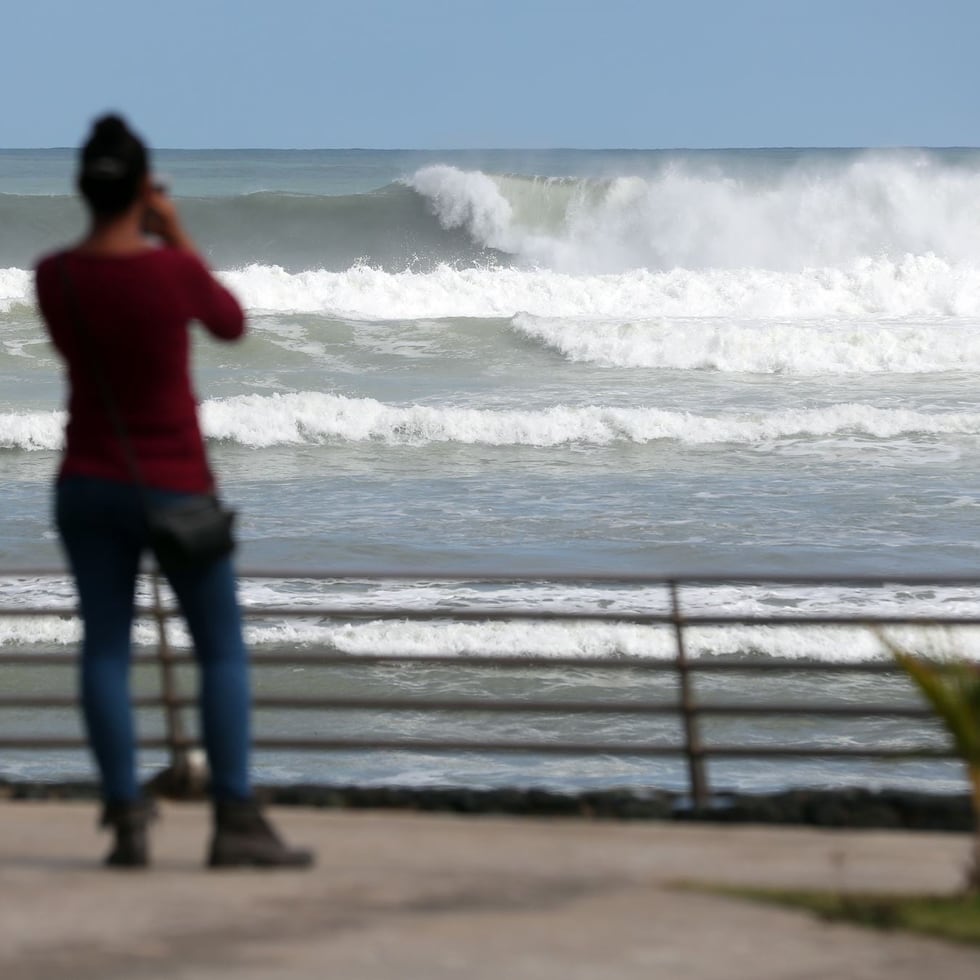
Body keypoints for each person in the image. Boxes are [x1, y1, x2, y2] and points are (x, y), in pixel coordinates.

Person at [34, 113, 312, 869]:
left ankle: (126, 817)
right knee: (220, 651)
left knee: (104, 651)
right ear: (142, 190)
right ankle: (233, 821)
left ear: (83, 188)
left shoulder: (53, 275)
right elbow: (229, 322)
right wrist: (175, 231)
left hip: (86, 483)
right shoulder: (170, 271)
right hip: (175, 487)